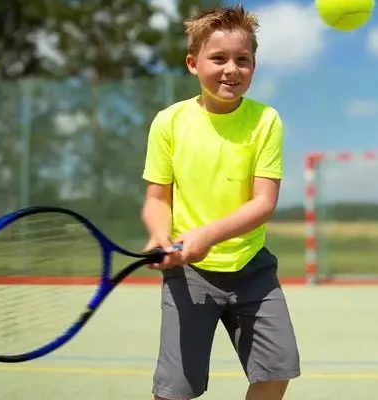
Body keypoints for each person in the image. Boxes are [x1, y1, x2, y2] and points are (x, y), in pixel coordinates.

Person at [140, 4, 301, 400]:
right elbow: (157, 198)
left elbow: (263, 203)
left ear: (253, 66)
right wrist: (161, 235)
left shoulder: (266, 121)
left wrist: (207, 234)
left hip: (252, 268)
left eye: (242, 60)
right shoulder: (169, 122)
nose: (231, 69)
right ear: (193, 64)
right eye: (219, 58)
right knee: (175, 390)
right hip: (188, 275)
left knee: (276, 369)